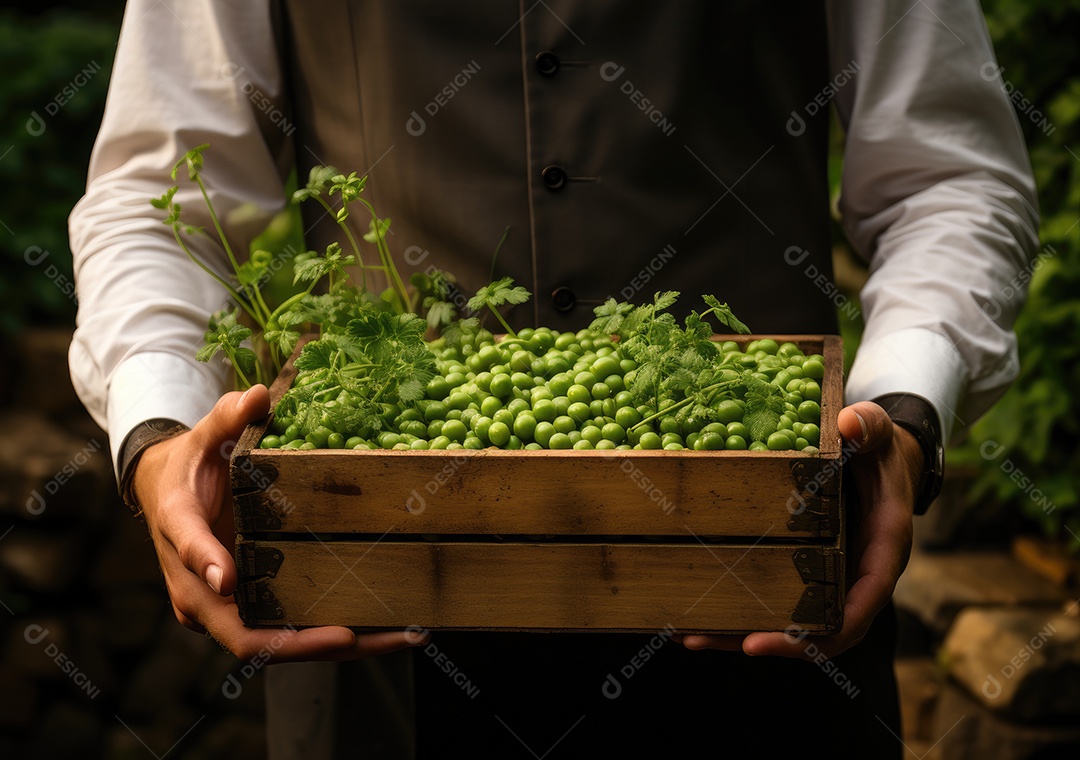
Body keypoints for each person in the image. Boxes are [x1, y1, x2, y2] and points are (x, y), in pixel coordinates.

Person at [69, 1, 1038, 757]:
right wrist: (161, 436)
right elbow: (154, 200)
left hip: (766, 625)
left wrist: (904, 414)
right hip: (371, 635)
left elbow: (943, 176)